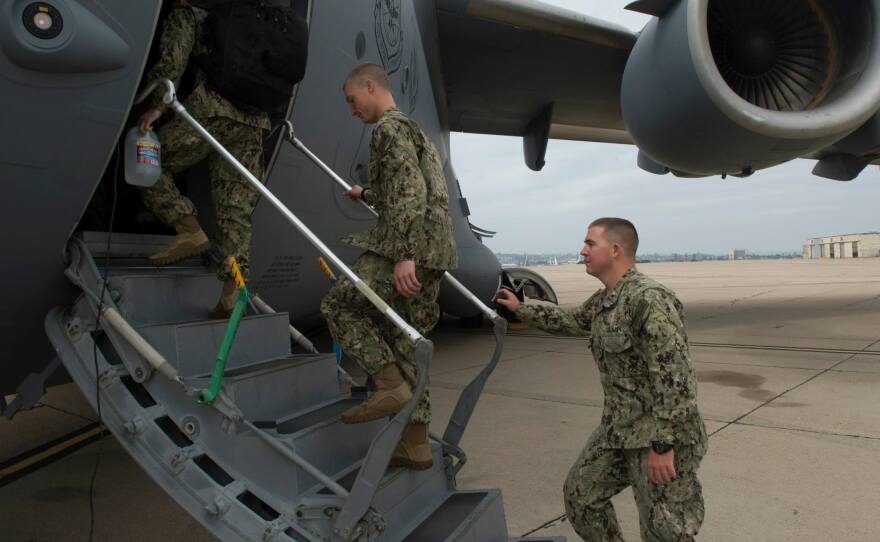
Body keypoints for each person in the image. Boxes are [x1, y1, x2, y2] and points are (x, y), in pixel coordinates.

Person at [495, 218, 707, 541]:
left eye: (590, 244)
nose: (582, 251)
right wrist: (521, 308)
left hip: (657, 436)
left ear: (616, 249)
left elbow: (676, 379)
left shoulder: (648, 300)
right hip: (619, 430)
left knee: (664, 529)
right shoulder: (606, 300)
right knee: (581, 496)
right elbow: (571, 320)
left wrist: (664, 444)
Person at [320, 63, 458, 470]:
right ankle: (416, 444)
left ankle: (389, 386)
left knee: (339, 305)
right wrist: (367, 192)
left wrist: (403, 254)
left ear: (369, 87)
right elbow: (415, 188)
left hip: (412, 248)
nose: (351, 109)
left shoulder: (387, 130)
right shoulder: (415, 131)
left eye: (351, 99)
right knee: (406, 341)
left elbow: (410, 193)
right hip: (438, 250)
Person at [137, 0, 270, 318]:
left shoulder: (188, 14)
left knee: (148, 160)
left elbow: (173, 62)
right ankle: (232, 293)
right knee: (235, 211)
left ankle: (188, 229)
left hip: (211, 112)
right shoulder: (249, 25)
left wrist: (157, 106)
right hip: (253, 124)